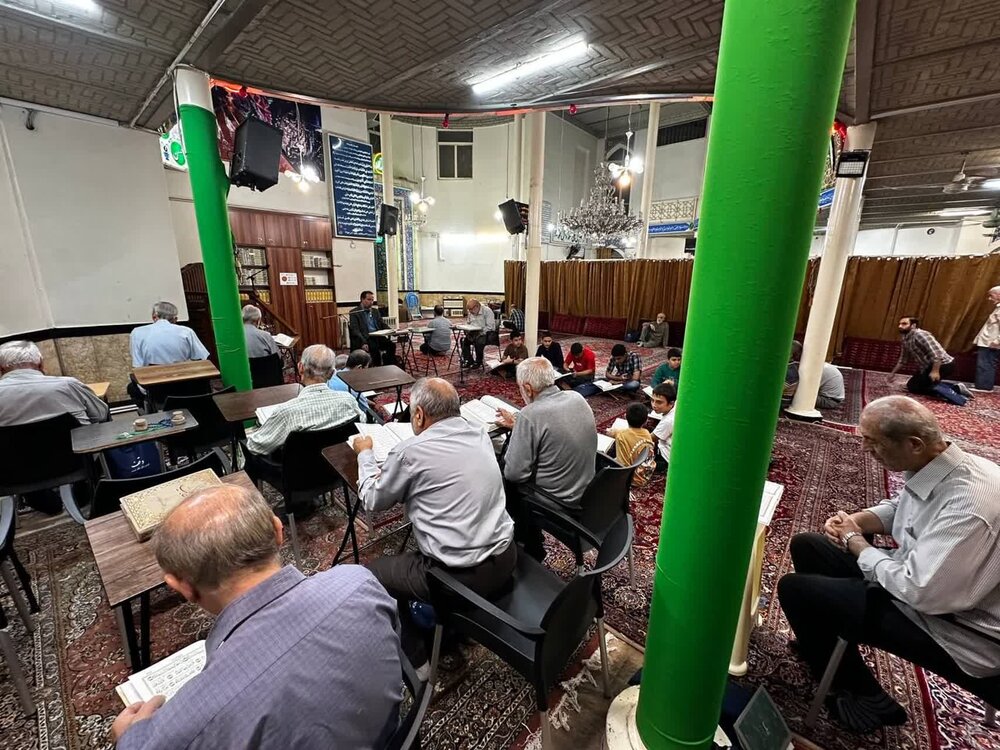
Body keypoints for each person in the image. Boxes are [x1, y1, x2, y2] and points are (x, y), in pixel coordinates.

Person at [112, 484, 402, 749]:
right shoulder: (359, 581)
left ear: (181, 588)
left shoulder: (189, 724)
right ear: (279, 531)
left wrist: (128, 736)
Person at [777, 396, 1000, 734]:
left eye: (874, 442)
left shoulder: (969, 505)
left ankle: (867, 696)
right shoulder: (940, 464)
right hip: (931, 587)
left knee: (797, 591)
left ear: (914, 444)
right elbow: (902, 506)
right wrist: (857, 521)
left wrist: (857, 543)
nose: (866, 449)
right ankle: (823, 644)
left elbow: (919, 591)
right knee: (808, 546)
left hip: (958, 628)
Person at [354, 377, 516, 669]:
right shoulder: (479, 433)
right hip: (506, 557)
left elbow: (373, 500)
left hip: (459, 577)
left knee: (370, 575)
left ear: (418, 415)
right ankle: (457, 625)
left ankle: (417, 661)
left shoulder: (409, 452)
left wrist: (365, 454)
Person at [498, 357, 597, 559]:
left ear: (528, 388)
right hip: (589, 491)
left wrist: (522, 425)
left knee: (502, 475)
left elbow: (514, 474)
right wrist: (518, 426)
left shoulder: (530, 414)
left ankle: (529, 546)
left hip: (558, 501)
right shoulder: (577, 397)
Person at [0, 340, 111, 515]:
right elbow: (101, 414)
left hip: (13, 473)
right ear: (40, 363)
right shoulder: (67, 385)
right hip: (76, 463)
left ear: (1, 369)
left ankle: (37, 497)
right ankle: (86, 490)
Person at [244, 345, 364, 498]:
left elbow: (256, 446)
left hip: (296, 480)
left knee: (249, 451)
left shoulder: (287, 412)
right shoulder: (349, 401)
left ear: (300, 367)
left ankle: (253, 504)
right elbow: (362, 425)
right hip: (337, 471)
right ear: (332, 373)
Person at [889, 317, 973, 400]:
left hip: (943, 365)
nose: (900, 326)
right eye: (900, 324)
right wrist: (893, 373)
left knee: (917, 388)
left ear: (913, 325)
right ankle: (956, 387)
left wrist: (935, 371)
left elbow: (937, 353)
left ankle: (955, 393)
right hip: (928, 366)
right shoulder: (905, 338)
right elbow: (903, 359)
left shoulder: (921, 335)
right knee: (912, 385)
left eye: (904, 324)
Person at [130, 301, 210, 368]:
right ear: (175, 319)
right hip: (183, 377)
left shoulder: (137, 332)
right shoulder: (186, 331)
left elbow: (137, 364)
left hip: (152, 379)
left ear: (154, 317)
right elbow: (201, 357)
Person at [610, 402, 656, 487]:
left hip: (629, 478)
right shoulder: (646, 433)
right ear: (646, 420)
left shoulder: (621, 435)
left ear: (625, 416)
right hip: (644, 474)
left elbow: (621, 462)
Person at [348, 291, 396, 366]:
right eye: (369, 299)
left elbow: (382, 324)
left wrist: (392, 331)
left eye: (372, 300)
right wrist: (363, 342)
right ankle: (377, 367)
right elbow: (355, 330)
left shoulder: (375, 311)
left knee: (391, 345)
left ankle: (388, 365)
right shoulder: (354, 312)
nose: (371, 302)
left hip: (377, 336)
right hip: (366, 337)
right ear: (362, 299)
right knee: (374, 348)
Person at [328, 349, 375, 415]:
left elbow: (361, 399)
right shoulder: (352, 385)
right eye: (367, 368)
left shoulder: (336, 375)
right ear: (360, 368)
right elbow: (366, 409)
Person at [973, 285, 1000, 392]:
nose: (989, 298)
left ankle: (984, 386)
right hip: (987, 341)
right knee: (984, 363)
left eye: (991, 296)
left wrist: (998, 340)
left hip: (991, 342)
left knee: (986, 364)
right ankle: (982, 385)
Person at [460, 298, 497, 368]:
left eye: (471, 309)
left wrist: (479, 332)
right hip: (474, 332)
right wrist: (466, 329)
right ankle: (468, 360)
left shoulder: (487, 311)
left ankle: (478, 361)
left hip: (487, 333)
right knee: (463, 340)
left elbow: (490, 327)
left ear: (477, 306)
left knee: (479, 340)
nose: (470, 312)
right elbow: (468, 323)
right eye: (469, 310)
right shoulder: (471, 312)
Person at [650, 382, 677, 472]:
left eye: (659, 402)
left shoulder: (668, 421)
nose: (654, 405)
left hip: (665, 457)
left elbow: (650, 439)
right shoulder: (677, 405)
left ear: (671, 403)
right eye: (652, 400)